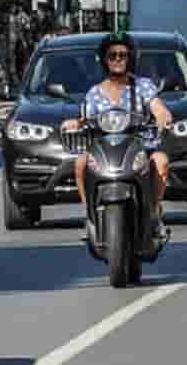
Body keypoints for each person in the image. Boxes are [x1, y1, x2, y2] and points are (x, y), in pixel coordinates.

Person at [62, 32, 173, 236]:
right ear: (104, 60)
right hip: (104, 151)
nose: (118, 59)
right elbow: (84, 118)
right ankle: (91, 218)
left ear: (131, 58)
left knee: (161, 161)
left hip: (140, 148)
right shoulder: (94, 92)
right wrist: (75, 123)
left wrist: (163, 116)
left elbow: (158, 107)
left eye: (123, 55)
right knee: (79, 163)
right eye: (112, 55)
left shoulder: (142, 85)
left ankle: (153, 213)